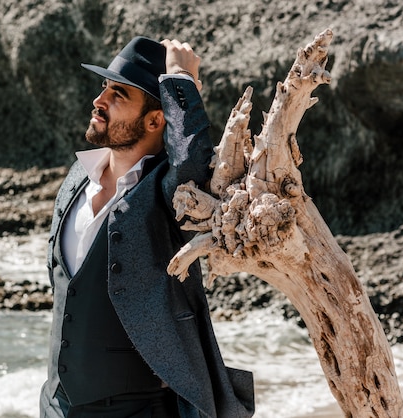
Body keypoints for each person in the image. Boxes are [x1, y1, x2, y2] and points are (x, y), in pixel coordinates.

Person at [40, 36, 255, 418]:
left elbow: (190, 164)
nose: (99, 100)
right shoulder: (77, 176)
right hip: (57, 406)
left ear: (156, 120)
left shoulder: (163, 196)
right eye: (103, 88)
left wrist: (180, 81)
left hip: (139, 411)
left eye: (118, 94)